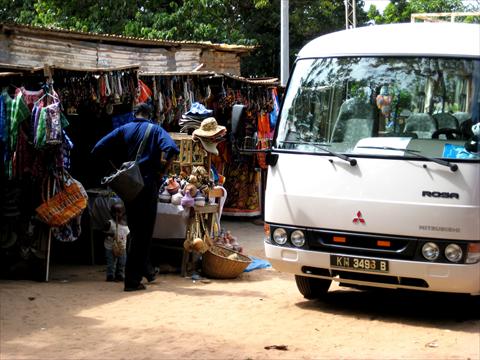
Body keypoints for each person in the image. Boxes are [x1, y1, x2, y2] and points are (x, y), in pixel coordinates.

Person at [92, 103, 179, 291]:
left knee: (136, 230)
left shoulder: (124, 129)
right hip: (148, 185)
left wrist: (116, 169)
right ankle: (132, 281)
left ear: (135, 114)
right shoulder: (156, 130)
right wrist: (162, 171)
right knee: (143, 234)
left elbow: (98, 148)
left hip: (130, 187)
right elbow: (172, 149)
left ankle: (146, 270)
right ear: (150, 115)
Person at [104, 202, 128, 282]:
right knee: (111, 262)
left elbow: (128, 234)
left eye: (119, 212)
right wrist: (110, 234)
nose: (116, 214)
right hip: (110, 247)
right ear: (111, 213)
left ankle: (120, 275)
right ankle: (110, 275)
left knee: (122, 262)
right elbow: (102, 233)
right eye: (114, 212)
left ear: (123, 213)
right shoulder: (109, 223)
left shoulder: (125, 224)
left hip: (122, 247)